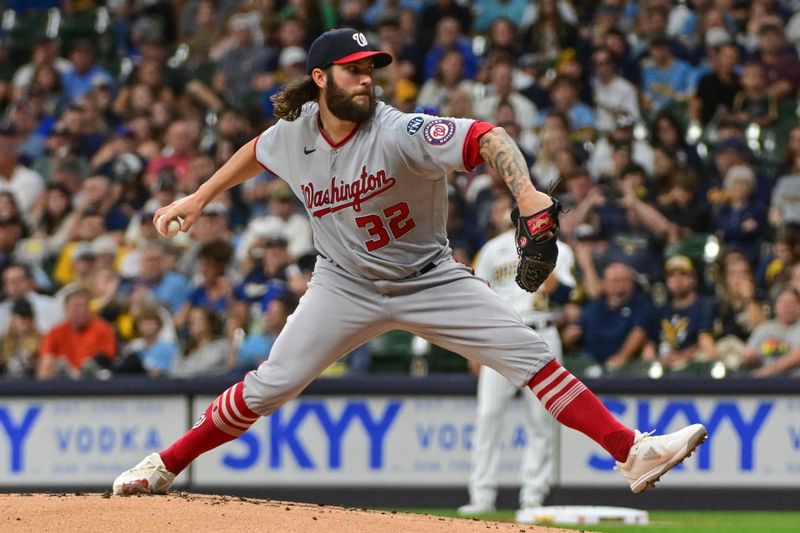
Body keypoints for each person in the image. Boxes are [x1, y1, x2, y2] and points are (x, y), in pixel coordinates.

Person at [113, 28, 706, 497]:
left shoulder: (402, 131)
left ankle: (631, 452)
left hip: (430, 280)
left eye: (371, 68)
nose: (366, 78)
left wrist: (526, 193)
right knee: (268, 388)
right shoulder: (295, 134)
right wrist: (197, 198)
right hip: (342, 285)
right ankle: (163, 465)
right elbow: (254, 151)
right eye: (353, 69)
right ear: (320, 78)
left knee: (531, 356)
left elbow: (487, 136)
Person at [458, 194, 576, 517]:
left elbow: (565, 292)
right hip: (500, 335)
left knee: (541, 421)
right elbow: (476, 297)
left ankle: (533, 496)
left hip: (542, 331)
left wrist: (542, 254)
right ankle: (481, 496)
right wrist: (474, 347)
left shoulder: (559, 249)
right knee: (488, 417)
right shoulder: (492, 250)